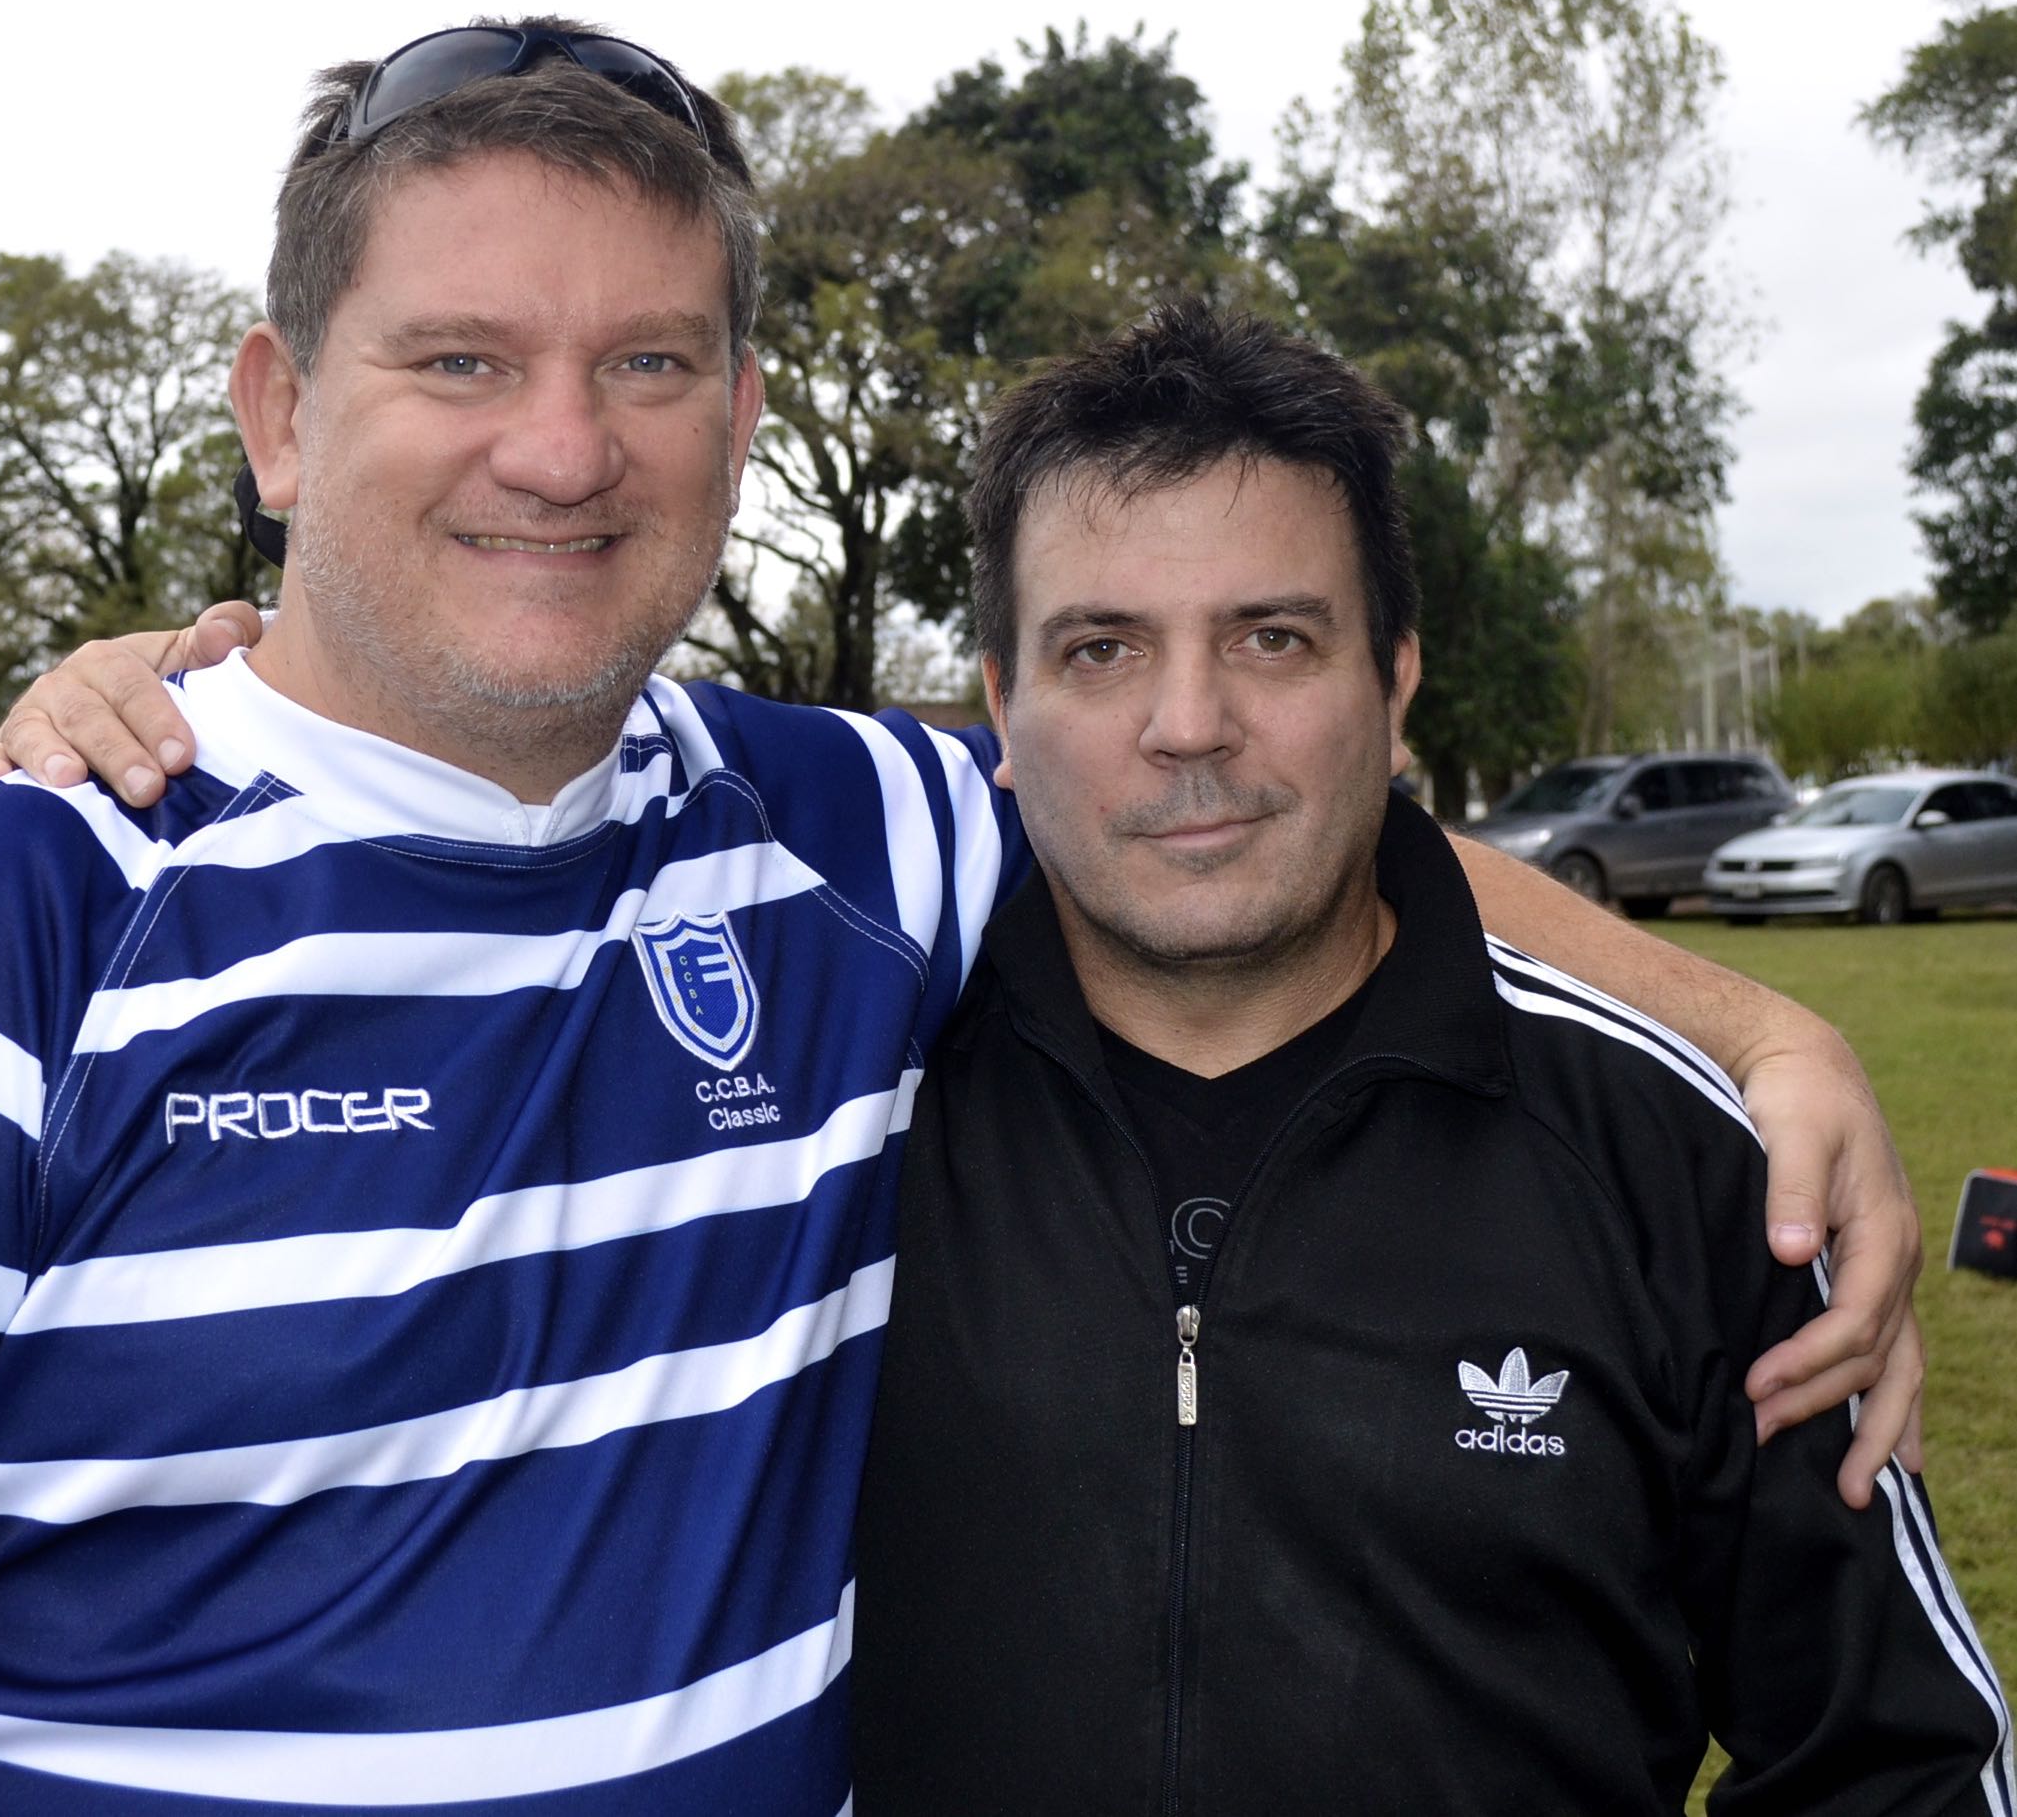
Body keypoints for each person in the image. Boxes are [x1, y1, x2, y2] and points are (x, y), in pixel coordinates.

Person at [0, 21, 1921, 1813]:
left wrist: (1755, 1034)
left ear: (737, 412)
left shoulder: (842, 833)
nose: (561, 446)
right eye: (460, 361)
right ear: (279, 414)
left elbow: (1238, 811)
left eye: (646, 363)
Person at [846, 302, 2012, 1813]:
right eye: (1101, 647)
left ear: (1394, 688)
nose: (1187, 724)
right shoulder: (843, 1131)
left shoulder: (1677, 1162)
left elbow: (1898, 1762)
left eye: (1272, 637)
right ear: (1001, 707)